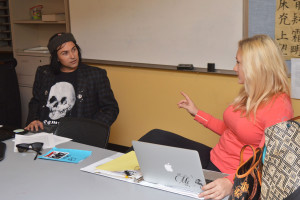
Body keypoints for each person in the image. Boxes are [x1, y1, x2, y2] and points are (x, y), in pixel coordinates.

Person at [135, 35, 294, 199]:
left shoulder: (278, 105)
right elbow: (230, 130)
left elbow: (267, 159)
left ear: (256, 66)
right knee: (155, 136)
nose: (234, 68)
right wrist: (197, 113)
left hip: (237, 177)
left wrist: (231, 183)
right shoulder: (250, 93)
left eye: (239, 63)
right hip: (215, 161)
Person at [25, 32, 119, 132]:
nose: (72, 56)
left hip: (76, 133)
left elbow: (110, 109)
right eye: (65, 53)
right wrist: (34, 120)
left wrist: (91, 129)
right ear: (56, 58)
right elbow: (36, 101)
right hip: (44, 131)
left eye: (74, 49)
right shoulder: (44, 72)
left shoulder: (95, 75)